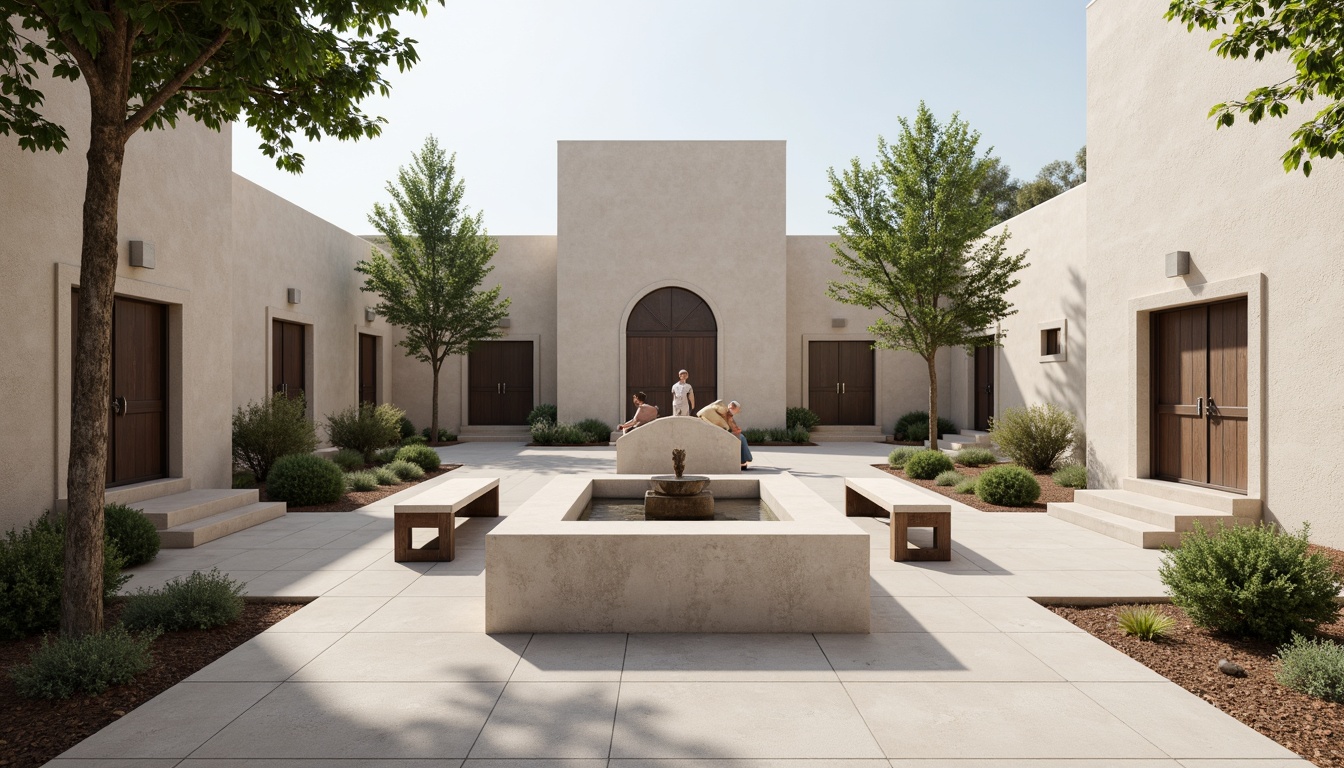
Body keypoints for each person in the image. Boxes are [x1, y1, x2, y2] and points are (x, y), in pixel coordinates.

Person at [697, 399, 753, 469]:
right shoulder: (722, 410)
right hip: (717, 432)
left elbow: (729, 424)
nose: (737, 413)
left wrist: (735, 429)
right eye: (737, 410)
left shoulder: (726, 412)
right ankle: (743, 461)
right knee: (740, 438)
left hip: (718, 431)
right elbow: (724, 425)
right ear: (732, 407)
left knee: (741, 437)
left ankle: (743, 461)